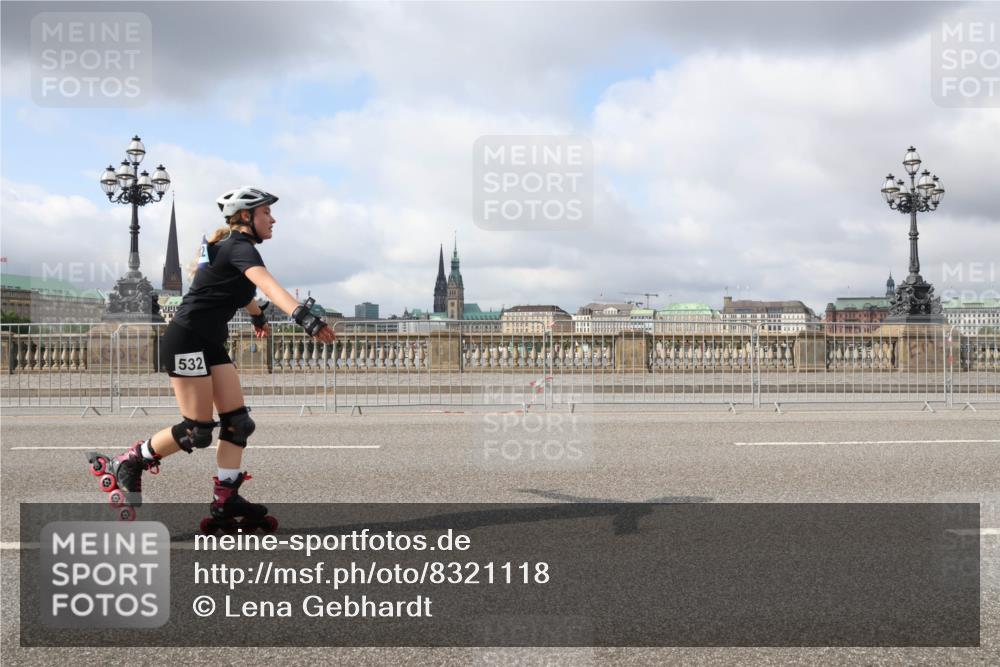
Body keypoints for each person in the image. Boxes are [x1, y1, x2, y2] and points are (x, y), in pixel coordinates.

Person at [86, 186, 335, 524]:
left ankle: (226, 499)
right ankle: (129, 461)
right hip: (186, 340)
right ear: (246, 217)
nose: (273, 219)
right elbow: (268, 284)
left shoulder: (226, 249)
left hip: (210, 344)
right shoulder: (238, 247)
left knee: (238, 423)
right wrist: (303, 317)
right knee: (197, 430)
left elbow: (239, 289)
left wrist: (256, 314)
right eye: (266, 213)